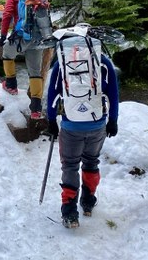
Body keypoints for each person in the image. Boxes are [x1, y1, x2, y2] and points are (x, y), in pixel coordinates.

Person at [46, 33, 119, 229]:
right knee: (91, 161)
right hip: (97, 124)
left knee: (70, 166)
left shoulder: (62, 62)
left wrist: (51, 120)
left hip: (71, 125)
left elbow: (53, 94)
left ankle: (70, 212)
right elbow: (113, 94)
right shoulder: (103, 62)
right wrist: (113, 120)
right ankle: (88, 201)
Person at [0, 0, 45, 119]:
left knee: (7, 53)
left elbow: (7, 15)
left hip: (22, 35)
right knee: (35, 70)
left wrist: (3, 35)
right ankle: (36, 108)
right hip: (38, 37)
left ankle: (11, 85)